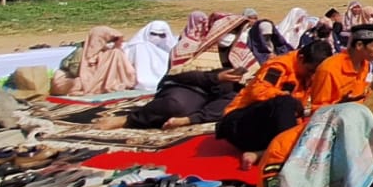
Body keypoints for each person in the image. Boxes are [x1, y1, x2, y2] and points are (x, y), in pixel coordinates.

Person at [218, 40, 335, 168]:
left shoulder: (309, 75)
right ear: (301, 58)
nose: (312, 75)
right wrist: (287, 98)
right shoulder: (278, 67)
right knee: (285, 102)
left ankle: (262, 154)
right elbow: (258, 91)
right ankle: (289, 153)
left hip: (264, 129)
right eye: (310, 70)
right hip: (238, 123)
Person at [95, 33, 244, 130]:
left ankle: (190, 119)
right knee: (175, 105)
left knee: (241, 102)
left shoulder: (243, 50)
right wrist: (216, 78)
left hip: (219, 96)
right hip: (189, 87)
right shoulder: (189, 46)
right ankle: (130, 120)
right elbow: (180, 75)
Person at [310, 23, 373, 107]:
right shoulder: (329, 70)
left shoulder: (365, 64)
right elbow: (317, 110)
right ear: (359, 45)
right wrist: (339, 105)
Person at [51, 26, 136, 96]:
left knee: (71, 84)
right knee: (63, 82)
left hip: (97, 83)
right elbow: (73, 70)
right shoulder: (82, 52)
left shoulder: (115, 53)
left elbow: (128, 73)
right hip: (88, 81)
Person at [122, 20, 176, 92]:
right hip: (143, 81)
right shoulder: (138, 46)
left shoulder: (169, 47)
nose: (157, 37)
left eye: (161, 35)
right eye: (154, 34)